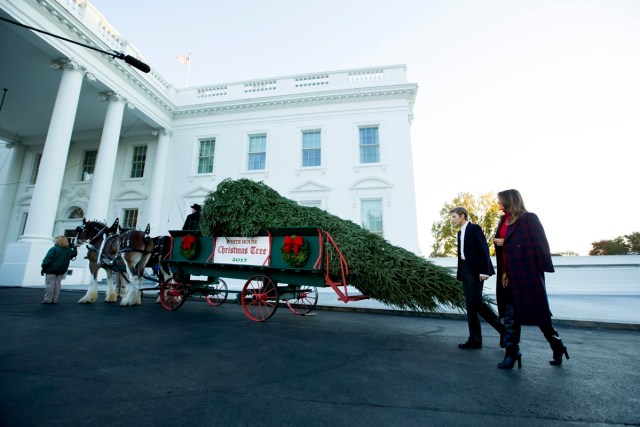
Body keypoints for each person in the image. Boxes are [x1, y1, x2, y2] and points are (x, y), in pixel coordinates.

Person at [493, 189, 569, 369]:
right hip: (508, 275)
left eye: (500, 200)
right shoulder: (503, 220)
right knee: (510, 316)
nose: (497, 204)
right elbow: (504, 249)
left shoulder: (528, 218)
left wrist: (506, 242)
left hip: (527, 277)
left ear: (509, 200)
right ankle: (511, 352)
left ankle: (558, 347)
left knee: (541, 318)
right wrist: (504, 271)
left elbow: (539, 244)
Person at [450, 207, 505, 349]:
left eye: (454, 217)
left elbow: (483, 250)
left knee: (475, 302)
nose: (453, 219)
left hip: (476, 271)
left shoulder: (474, 228)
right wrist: (461, 272)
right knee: (470, 305)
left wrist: (484, 270)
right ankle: (475, 339)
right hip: (465, 270)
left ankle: (503, 329)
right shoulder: (459, 232)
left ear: (462, 216)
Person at [41, 236, 78, 304]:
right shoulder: (68, 250)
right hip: (61, 270)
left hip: (51, 270)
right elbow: (75, 253)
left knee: (50, 285)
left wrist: (43, 268)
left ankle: (48, 299)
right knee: (58, 284)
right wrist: (74, 247)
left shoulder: (54, 249)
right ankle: (55, 300)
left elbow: (47, 260)